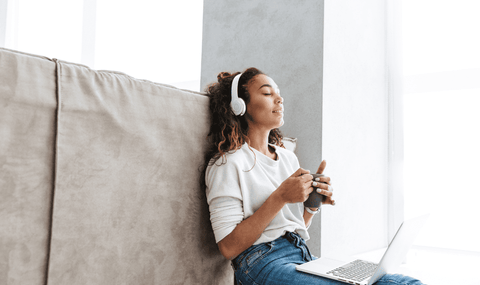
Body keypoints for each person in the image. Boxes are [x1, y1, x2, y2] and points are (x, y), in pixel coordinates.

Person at [202, 67, 424, 285]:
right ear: (240, 106)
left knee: (403, 282)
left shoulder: (287, 158)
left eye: (278, 93)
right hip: (259, 264)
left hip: (300, 255)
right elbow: (228, 247)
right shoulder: (227, 163)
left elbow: (290, 226)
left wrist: (311, 205)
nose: (279, 99)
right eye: (268, 93)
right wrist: (280, 197)